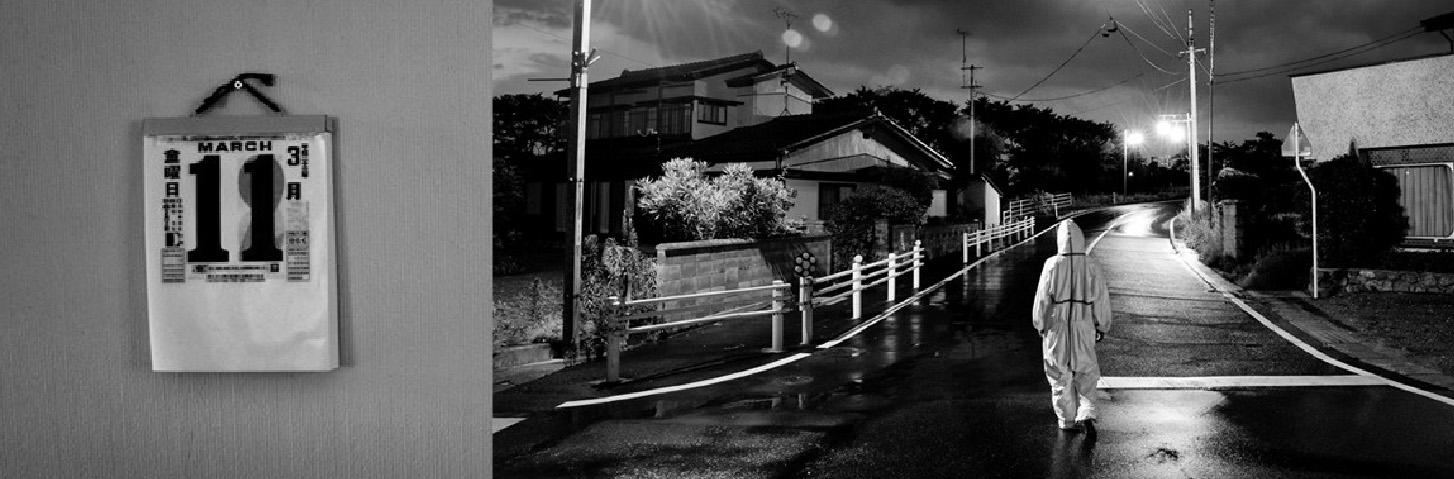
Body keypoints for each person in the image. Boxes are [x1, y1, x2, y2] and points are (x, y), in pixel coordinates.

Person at [1032, 219, 1113, 432]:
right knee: (1086, 371)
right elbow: (1101, 299)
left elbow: (1042, 298)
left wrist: (1039, 323)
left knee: (1059, 374)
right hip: (1083, 322)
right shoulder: (1091, 265)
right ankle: (1086, 410)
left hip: (1056, 326)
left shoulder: (1051, 264)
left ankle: (1066, 421)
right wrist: (1102, 325)